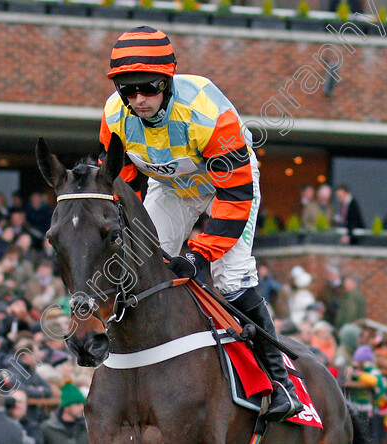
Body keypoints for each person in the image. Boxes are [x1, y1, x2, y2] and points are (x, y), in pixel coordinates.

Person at [99, 26, 301, 421]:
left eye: (148, 87)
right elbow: (124, 182)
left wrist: (198, 254)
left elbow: (235, 198)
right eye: (128, 89)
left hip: (228, 183)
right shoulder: (113, 116)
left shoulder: (208, 112)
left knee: (231, 278)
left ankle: (280, 383)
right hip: (172, 185)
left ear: (167, 80)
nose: (138, 99)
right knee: (139, 260)